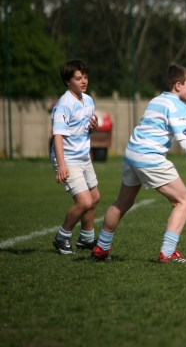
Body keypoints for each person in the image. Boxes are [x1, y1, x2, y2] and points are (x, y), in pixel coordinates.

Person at [91, 65, 186, 263]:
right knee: (183, 201)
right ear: (178, 85)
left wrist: (184, 123)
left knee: (122, 203)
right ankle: (167, 252)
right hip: (150, 158)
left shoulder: (156, 100)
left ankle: (101, 248)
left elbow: (158, 126)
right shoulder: (178, 106)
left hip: (131, 155)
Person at [50, 59, 100, 255]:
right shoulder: (64, 104)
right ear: (67, 81)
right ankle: (62, 237)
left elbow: (84, 128)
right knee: (84, 202)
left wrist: (93, 129)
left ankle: (86, 239)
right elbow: (58, 136)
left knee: (94, 197)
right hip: (68, 159)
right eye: (78, 78)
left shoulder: (88, 100)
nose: (84, 81)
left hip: (83, 157)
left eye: (85, 76)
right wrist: (61, 165)